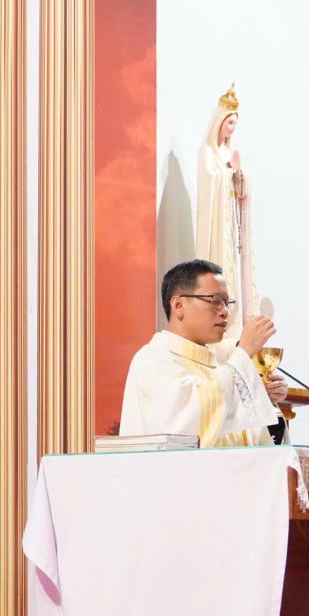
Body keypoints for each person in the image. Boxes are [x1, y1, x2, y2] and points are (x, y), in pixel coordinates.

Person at [120, 259, 287, 447]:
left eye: (227, 303)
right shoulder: (152, 360)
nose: (225, 312)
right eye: (215, 301)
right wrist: (245, 350)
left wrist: (260, 397)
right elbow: (189, 420)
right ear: (178, 306)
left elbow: (239, 433)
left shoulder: (219, 367)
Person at [196, 83, 258, 340]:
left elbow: (240, 190)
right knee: (221, 267)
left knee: (235, 268)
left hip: (231, 224)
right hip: (217, 226)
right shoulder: (207, 153)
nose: (232, 128)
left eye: (235, 124)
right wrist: (229, 172)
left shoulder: (227, 153)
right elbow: (210, 182)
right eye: (229, 122)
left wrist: (239, 174)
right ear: (219, 122)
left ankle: (236, 326)